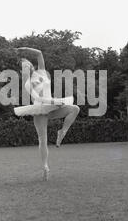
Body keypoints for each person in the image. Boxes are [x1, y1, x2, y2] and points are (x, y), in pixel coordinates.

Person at [14, 47, 80, 181]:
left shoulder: (42, 72)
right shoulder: (27, 83)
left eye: (28, 63)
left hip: (52, 107)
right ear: (22, 71)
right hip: (40, 111)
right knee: (42, 140)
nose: (28, 66)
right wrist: (53, 101)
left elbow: (39, 53)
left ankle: (62, 132)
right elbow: (37, 99)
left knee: (75, 109)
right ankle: (45, 166)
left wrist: (25, 49)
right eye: (24, 66)